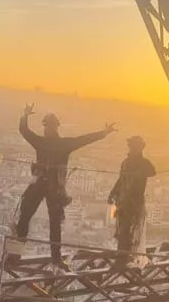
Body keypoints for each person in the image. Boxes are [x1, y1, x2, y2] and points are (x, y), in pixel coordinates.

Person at [12, 104, 116, 265]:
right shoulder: (63, 144)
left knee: (25, 217)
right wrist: (104, 133)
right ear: (57, 127)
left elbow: (24, 130)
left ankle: (15, 255)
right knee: (54, 222)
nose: (47, 129)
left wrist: (25, 115)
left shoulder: (40, 142)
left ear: (47, 127)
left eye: (47, 126)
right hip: (55, 188)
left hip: (39, 184)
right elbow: (85, 139)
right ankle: (55, 257)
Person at [108, 136, 156, 267]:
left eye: (133, 146)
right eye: (131, 146)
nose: (132, 148)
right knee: (124, 230)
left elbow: (152, 172)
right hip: (124, 201)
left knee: (129, 230)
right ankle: (123, 257)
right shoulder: (126, 162)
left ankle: (124, 257)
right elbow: (121, 180)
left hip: (133, 202)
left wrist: (138, 173)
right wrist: (113, 193)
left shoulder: (143, 163)